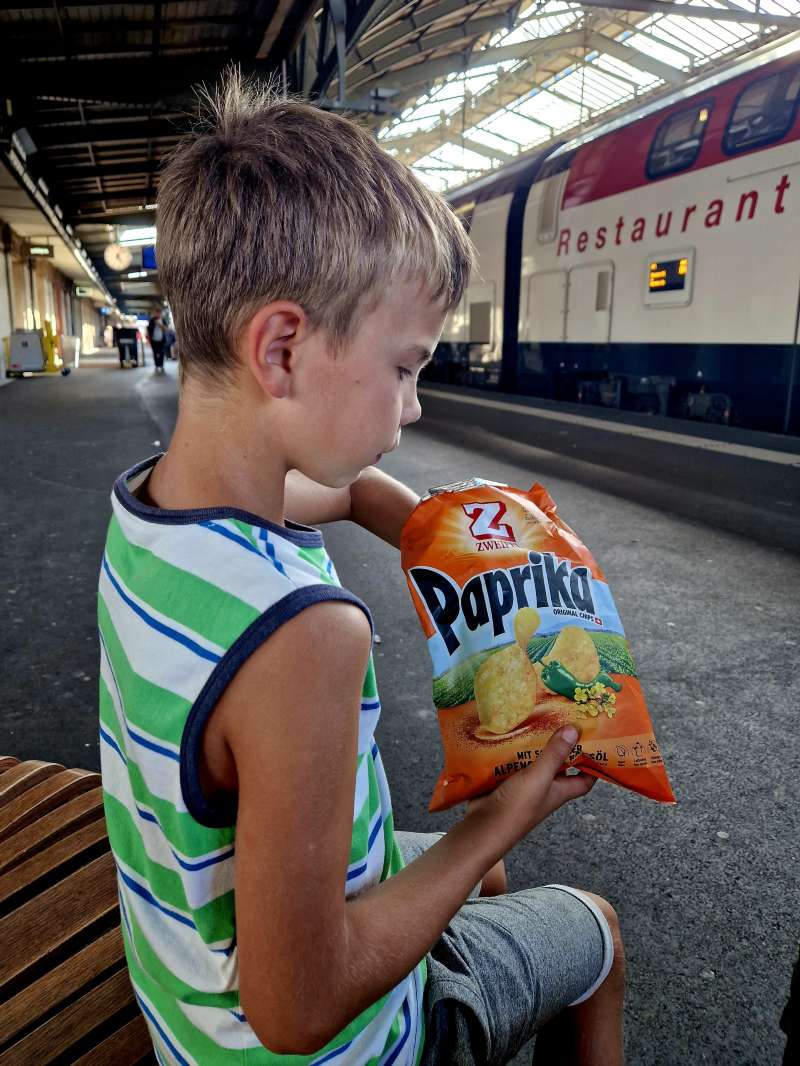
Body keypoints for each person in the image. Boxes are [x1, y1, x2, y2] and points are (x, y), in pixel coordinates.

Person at [97, 71, 625, 1066]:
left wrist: (455, 535)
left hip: (184, 991)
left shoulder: (156, 509)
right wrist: (498, 815)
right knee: (591, 927)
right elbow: (298, 1007)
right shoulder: (304, 634)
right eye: (403, 366)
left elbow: (338, 492)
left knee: (490, 883)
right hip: (318, 1046)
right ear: (284, 347)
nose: (413, 406)